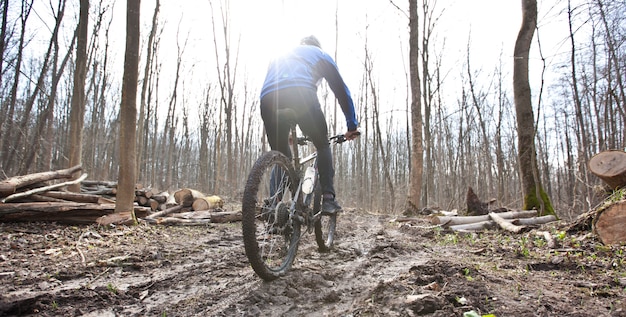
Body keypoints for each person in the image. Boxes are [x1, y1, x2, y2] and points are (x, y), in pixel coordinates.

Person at [260, 35, 359, 214]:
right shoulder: (320, 54)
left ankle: (274, 204)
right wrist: (352, 125)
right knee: (322, 144)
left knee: (281, 155)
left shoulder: (280, 55)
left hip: (268, 100)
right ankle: (328, 199)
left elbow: (276, 86)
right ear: (317, 46)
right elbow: (341, 91)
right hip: (302, 94)